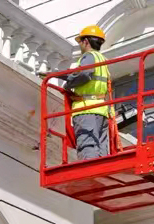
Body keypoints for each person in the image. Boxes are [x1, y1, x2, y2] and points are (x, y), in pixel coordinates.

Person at [46, 25, 113, 160]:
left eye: (80, 42)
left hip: (86, 108)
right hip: (101, 109)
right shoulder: (102, 59)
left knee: (87, 144)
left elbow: (84, 73)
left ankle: (91, 168)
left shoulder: (89, 56)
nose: (80, 45)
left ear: (86, 41)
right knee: (101, 146)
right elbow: (85, 75)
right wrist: (61, 76)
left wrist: (68, 84)